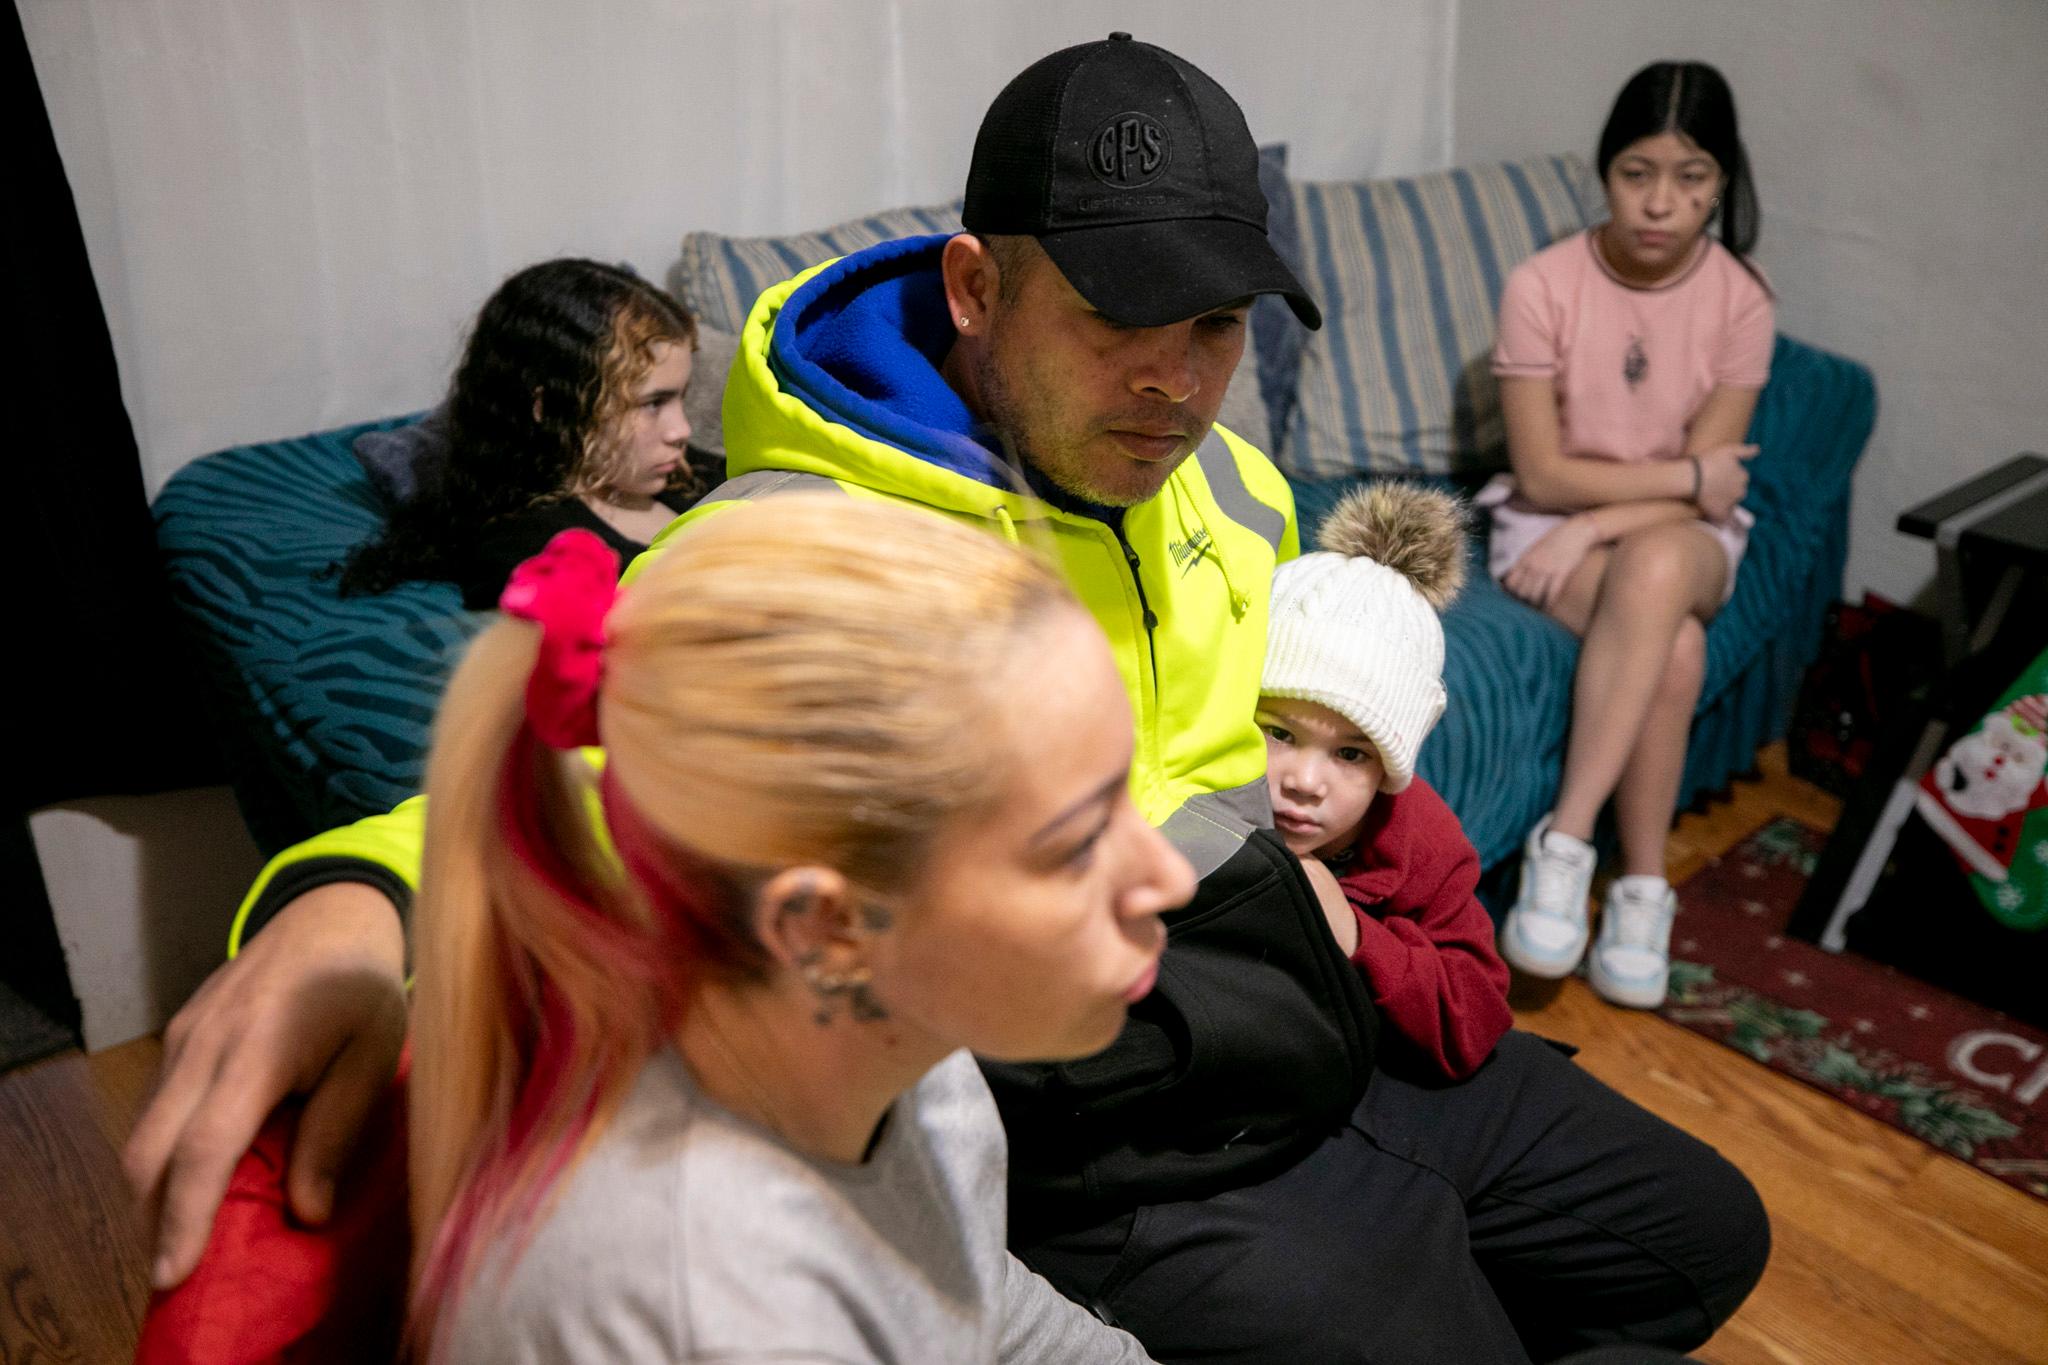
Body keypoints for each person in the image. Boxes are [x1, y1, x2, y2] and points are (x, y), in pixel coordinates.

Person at [128, 34, 1770, 1363]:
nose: (1178, 383)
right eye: (1124, 317)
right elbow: (615, 765)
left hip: (1320, 1035)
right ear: (976, 288)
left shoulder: (1231, 484)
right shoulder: (814, 542)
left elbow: (1283, 739)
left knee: (1703, 1240)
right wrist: (361, 900)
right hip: (1129, 1149)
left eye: (1215, 325)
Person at [407, 501, 1181, 1361]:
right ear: (823, 928)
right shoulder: (699, 1305)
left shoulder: (919, 1065)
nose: (1169, 878)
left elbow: (980, 1308)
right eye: (1077, 845)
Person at [1487, 61, 1774, 1011]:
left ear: (1722, 183)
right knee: (1677, 647)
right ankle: (1644, 889)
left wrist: (1603, 521)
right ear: (1605, 174)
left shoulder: (1742, 301)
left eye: (1690, 178)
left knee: (1654, 570)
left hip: (1677, 534)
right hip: (1550, 522)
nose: (1660, 204)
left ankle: (1564, 842)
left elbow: (1707, 496)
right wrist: (1687, 476)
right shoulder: (1541, 284)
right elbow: (1539, 474)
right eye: (1636, 173)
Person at [1257, 483, 1513, 1080]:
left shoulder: (1420, 838)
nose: (1305, 781)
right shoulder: (1199, 788)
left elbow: (1475, 1017)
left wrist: (1356, 935)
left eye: (1351, 754)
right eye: (1280, 733)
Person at [338, 258, 704, 609]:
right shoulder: (532, 548)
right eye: (653, 403)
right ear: (552, 407)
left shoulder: (684, 472)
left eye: (680, 398)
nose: (681, 430)